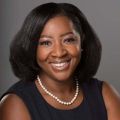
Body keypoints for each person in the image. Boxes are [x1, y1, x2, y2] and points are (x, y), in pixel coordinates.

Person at [0, 2, 120, 120]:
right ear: (32, 48)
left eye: (68, 40)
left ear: (82, 42)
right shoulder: (15, 104)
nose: (59, 52)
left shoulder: (105, 94)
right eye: (46, 43)